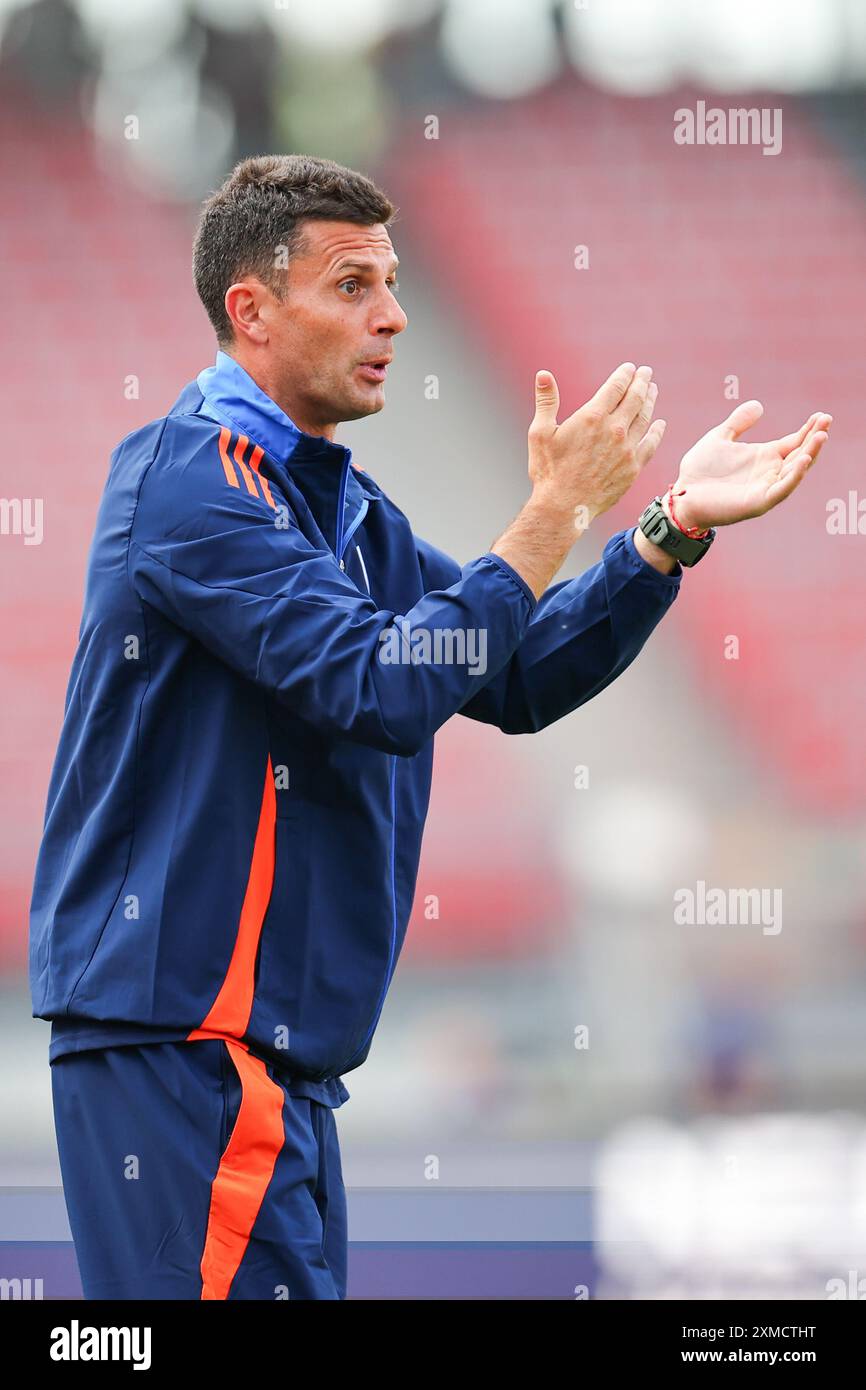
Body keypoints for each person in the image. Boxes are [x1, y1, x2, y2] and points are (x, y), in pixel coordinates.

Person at [29, 153, 830, 1300]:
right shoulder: (187, 482)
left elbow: (508, 676)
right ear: (250, 311)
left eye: (395, 282)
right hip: (182, 1048)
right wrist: (551, 510)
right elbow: (386, 688)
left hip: (274, 1067)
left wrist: (663, 527)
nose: (394, 316)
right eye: (352, 284)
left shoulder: (346, 507)